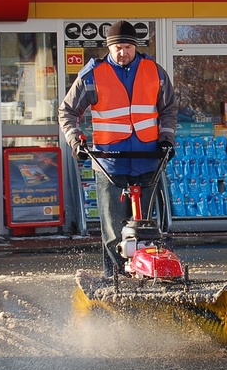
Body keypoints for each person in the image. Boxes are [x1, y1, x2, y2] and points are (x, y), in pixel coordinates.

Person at [59, 20, 178, 278]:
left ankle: (147, 274)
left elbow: (168, 109)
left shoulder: (154, 72)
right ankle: (114, 278)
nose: (123, 52)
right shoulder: (92, 75)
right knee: (113, 230)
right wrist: (76, 141)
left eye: (128, 47)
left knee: (145, 227)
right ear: (109, 48)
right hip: (109, 162)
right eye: (117, 48)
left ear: (136, 47)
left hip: (148, 159)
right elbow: (67, 111)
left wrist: (167, 138)